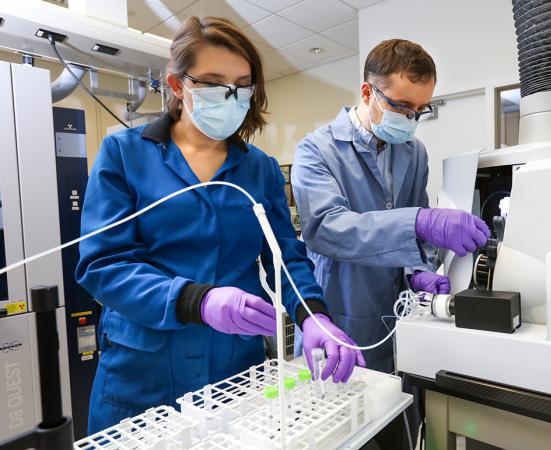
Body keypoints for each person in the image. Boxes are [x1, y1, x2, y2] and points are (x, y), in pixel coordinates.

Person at [76, 16, 363, 434]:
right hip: (142, 371)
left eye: (242, 85)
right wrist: (197, 301)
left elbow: (286, 259)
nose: (230, 96)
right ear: (178, 87)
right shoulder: (124, 154)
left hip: (232, 369)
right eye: (213, 83)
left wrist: (313, 315)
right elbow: (103, 265)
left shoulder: (259, 169)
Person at [291, 39, 490, 448]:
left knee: (398, 431)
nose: (412, 119)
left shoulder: (414, 152)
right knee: (339, 436)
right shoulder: (317, 150)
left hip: (397, 322)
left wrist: (420, 272)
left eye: (421, 110)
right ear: (368, 93)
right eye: (402, 107)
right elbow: (328, 228)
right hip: (339, 318)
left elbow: (418, 229)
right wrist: (421, 221)